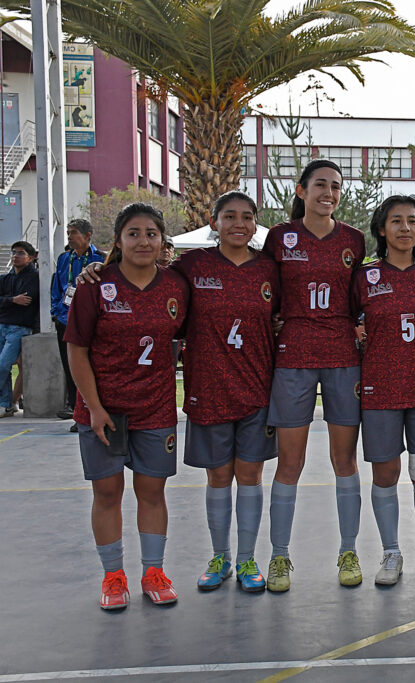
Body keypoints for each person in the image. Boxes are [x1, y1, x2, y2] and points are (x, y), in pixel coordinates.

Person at [64, 203, 189, 610]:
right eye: (133, 233)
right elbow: (77, 350)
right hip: (104, 410)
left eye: (151, 233)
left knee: (152, 492)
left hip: (154, 408)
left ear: (161, 241)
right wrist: (94, 407)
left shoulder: (175, 286)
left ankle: (154, 571)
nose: (142, 241)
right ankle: (113, 576)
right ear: (118, 240)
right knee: (107, 491)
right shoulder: (94, 285)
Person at [261, 159, 366, 591]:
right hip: (293, 356)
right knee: (291, 461)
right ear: (301, 191)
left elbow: (363, 295)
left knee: (344, 460)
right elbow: (262, 289)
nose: (329, 192)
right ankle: (279, 556)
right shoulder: (279, 238)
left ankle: (348, 551)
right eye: (320, 184)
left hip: (343, 355)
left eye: (336, 186)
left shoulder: (354, 240)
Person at [175, 192, 279, 593]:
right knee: (219, 476)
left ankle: (248, 558)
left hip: (256, 388)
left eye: (247, 217)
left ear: (255, 224)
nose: (239, 223)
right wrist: (97, 267)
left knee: (250, 476)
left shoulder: (270, 270)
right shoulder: (192, 266)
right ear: (214, 221)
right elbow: (144, 277)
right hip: (209, 387)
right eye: (230, 216)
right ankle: (219, 556)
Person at [353, 195, 415, 586]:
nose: (405, 228)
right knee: (386, 473)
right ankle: (391, 553)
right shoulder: (364, 277)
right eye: (397, 221)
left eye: (412, 220)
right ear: (381, 229)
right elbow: (347, 323)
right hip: (380, 388)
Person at [51, 218, 105, 420]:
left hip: (90, 322)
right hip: (65, 319)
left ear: (87, 235)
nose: (69, 237)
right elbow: (57, 286)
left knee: (90, 366)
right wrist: (56, 311)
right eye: (68, 232)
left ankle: (92, 409)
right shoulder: (65, 258)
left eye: (73, 232)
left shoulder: (100, 258)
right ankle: (76, 412)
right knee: (70, 366)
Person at [0, 241, 39, 418]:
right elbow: (13, 301)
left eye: (21, 253)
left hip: (19, 328)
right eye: (13, 252)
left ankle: (8, 403)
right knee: (4, 367)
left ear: (31, 257)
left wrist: (7, 301)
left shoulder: (35, 277)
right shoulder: (6, 278)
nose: (16, 256)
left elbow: (27, 300)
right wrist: (11, 300)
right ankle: (6, 404)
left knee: (3, 364)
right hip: (2, 325)